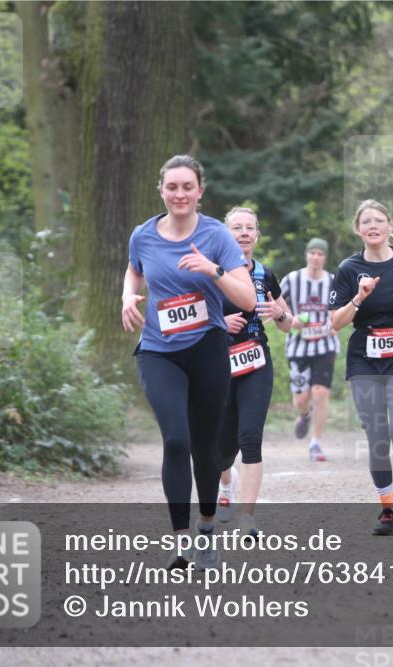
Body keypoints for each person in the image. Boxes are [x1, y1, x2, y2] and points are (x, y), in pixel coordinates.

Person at [121, 155, 255, 571]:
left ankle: (207, 528)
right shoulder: (143, 235)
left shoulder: (217, 236)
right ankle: (180, 542)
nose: (180, 194)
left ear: (200, 191)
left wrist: (212, 270)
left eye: (187, 187)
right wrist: (128, 295)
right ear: (161, 190)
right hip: (159, 350)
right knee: (176, 439)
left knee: (205, 446)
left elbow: (248, 300)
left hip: (207, 348)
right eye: (172, 187)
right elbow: (133, 270)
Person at [329, 199, 393, 536]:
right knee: (376, 436)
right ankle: (387, 510)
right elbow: (335, 323)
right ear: (358, 229)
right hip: (364, 356)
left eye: (379, 220)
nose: (372, 226)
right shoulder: (348, 269)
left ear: (390, 226)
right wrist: (358, 298)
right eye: (366, 222)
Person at [215, 207, 293, 538]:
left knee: (250, 437)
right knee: (220, 448)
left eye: (250, 228)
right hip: (217, 364)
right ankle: (225, 479)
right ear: (225, 234)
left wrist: (279, 313)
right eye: (237, 228)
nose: (244, 233)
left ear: (257, 235)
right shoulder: (212, 271)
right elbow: (189, 318)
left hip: (256, 362)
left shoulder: (265, 274)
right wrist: (218, 323)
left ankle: (247, 518)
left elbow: (287, 324)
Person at [280, 237, 340, 462]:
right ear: (306, 255)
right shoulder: (292, 279)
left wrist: (337, 324)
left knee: (321, 393)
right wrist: (289, 318)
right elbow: (276, 302)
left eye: (320, 254)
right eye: (312, 253)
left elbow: (343, 308)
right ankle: (304, 415)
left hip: (325, 345)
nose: (316, 257)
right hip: (297, 347)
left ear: (325, 257)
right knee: (301, 398)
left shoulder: (333, 281)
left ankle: (316, 443)